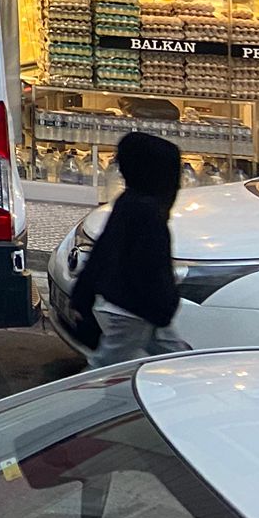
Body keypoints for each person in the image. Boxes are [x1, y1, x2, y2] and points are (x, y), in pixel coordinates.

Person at [65, 130, 187, 367]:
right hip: (134, 310)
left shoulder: (129, 202)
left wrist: (82, 294)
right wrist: (165, 304)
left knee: (174, 357)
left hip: (128, 305)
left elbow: (102, 251)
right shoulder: (150, 214)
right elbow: (152, 268)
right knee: (103, 369)